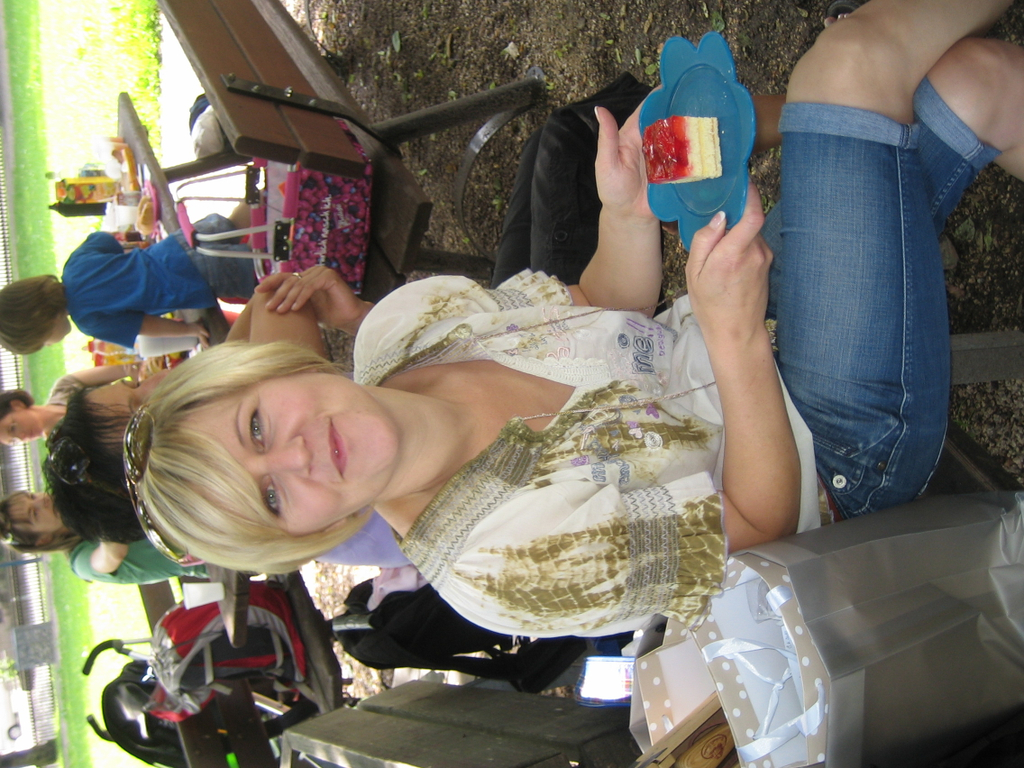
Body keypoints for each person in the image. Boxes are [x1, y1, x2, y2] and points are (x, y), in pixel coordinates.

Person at [125, 0, 1024, 639]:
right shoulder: (503, 572)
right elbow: (763, 524)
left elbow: (601, 305)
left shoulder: (404, 330)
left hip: (750, 324)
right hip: (830, 457)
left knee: (976, 85)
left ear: (273, 370)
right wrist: (735, 335)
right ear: (305, 535)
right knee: (849, 67)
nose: (296, 457)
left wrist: (625, 213)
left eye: (256, 427)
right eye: (272, 497)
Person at [0, 212, 257, 354]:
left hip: (199, 278)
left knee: (265, 270)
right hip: (179, 243)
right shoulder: (74, 266)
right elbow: (104, 240)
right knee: (236, 225)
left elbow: (146, 325)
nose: (48, 345)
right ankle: (274, 188)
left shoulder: (88, 321)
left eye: (42, 342)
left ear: (42, 321)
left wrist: (189, 330)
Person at [0, 490, 207, 584]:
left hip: (199, 517)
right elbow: (113, 554)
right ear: (43, 540)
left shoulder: (82, 500)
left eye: (32, 496)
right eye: (34, 514)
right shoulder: (79, 560)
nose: (42, 501)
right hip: (209, 557)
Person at [0, 364, 141, 446]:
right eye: (14, 441)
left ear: (17, 404)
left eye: (12, 428)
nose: (21, 437)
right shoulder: (62, 445)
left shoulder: (65, 387)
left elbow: (126, 368)